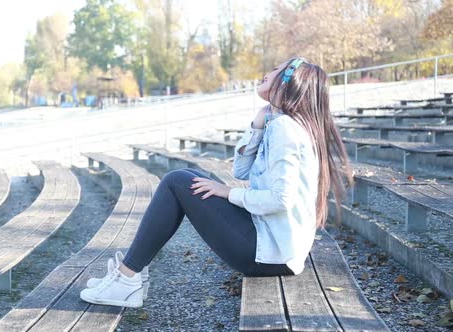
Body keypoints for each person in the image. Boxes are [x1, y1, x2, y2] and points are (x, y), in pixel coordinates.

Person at [80, 57, 353, 308]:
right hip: (272, 249)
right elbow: (241, 170)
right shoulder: (280, 125)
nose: (266, 73)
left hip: (267, 254)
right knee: (184, 179)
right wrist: (257, 125)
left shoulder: (286, 129)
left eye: (275, 70)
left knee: (177, 181)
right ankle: (129, 275)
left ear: (289, 81)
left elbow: (280, 199)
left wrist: (227, 192)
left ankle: (127, 277)